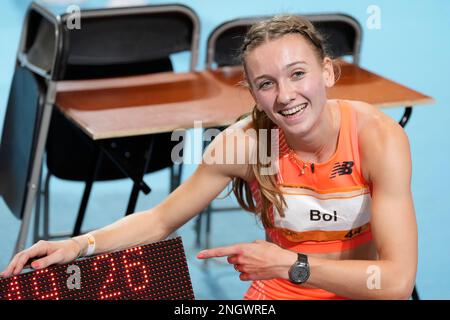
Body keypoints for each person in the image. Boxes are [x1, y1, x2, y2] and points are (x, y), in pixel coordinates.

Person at [1, 15, 417, 300]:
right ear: (253, 93)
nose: (286, 96)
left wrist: (293, 263)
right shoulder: (247, 145)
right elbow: (161, 219)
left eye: (298, 74)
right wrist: (79, 245)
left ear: (327, 72)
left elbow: (396, 281)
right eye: (267, 83)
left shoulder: (378, 138)